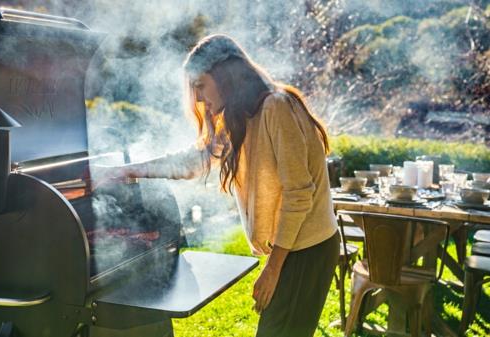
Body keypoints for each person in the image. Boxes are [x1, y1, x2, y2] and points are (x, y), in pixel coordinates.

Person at [93, 34, 339, 337]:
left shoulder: (276, 107)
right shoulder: (239, 117)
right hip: (290, 248)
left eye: (200, 85)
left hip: (307, 249)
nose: (197, 98)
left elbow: (299, 195)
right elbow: (194, 161)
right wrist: (129, 170)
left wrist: (273, 269)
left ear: (225, 74)